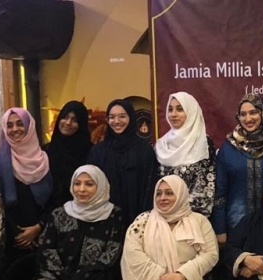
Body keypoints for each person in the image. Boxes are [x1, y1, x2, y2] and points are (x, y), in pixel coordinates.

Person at [212, 94, 263, 243]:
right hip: (236, 227)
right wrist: (220, 229)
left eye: (253, 112)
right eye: (243, 114)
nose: (248, 119)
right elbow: (220, 192)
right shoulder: (228, 147)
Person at [0, 107, 53, 256]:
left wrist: (38, 228)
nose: (15, 129)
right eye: (9, 125)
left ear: (29, 126)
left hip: (46, 234)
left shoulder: (46, 159)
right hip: (13, 239)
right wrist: (21, 236)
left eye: (20, 123)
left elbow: (54, 199)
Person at [88, 98, 159, 230]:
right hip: (105, 222)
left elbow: (150, 187)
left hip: (139, 221)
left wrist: (143, 222)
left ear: (131, 118)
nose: (116, 121)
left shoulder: (144, 150)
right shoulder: (98, 151)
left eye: (122, 116)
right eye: (112, 117)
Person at [156, 92, 216, 216]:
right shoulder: (161, 145)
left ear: (191, 112)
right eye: (170, 109)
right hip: (163, 216)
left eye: (180, 109)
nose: (173, 114)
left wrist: (179, 215)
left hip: (193, 218)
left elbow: (206, 187)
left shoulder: (203, 142)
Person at [45, 101, 93, 211]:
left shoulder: (92, 152)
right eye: (65, 117)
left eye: (75, 120)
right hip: (49, 216)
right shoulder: (46, 151)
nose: (68, 123)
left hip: (83, 213)